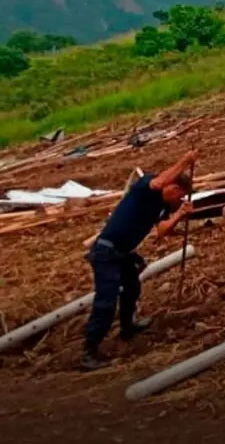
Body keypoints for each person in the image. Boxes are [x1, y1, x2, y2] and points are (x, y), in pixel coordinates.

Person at [81, 150, 198, 371]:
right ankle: (89, 350)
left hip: (123, 252)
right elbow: (161, 180)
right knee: (106, 301)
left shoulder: (162, 206)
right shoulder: (145, 188)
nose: (179, 199)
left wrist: (179, 214)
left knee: (132, 288)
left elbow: (161, 231)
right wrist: (184, 160)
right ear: (172, 187)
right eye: (180, 195)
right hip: (107, 252)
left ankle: (128, 327)